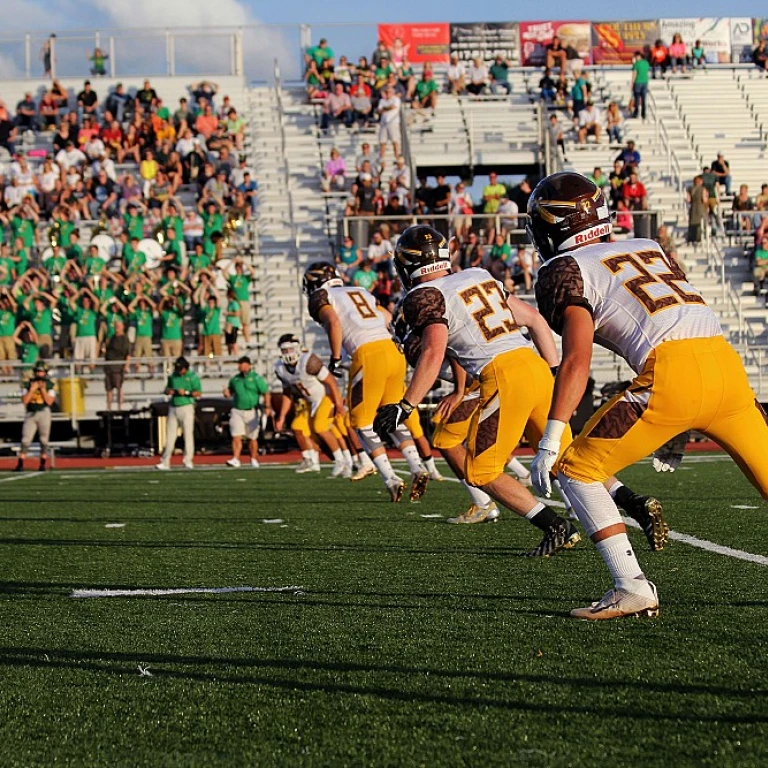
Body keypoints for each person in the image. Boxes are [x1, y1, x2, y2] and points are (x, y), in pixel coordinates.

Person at [527, 171, 768, 619]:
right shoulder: (648, 246)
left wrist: (550, 436)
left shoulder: (565, 268)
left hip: (671, 375)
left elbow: (576, 358)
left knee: (576, 470)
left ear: (550, 224)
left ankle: (631, 587)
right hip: (726, 367)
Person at [375, 225, 579, 551]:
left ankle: (554, 525)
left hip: (502, 374)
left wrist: (407, 404)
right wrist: (555, 372)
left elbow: (434, 349)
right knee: (569, 460)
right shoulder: (478, 275)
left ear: (405, 265)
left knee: (480, 471)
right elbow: (535, 321)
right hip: (536, 365)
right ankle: (630, 503)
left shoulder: (421, 296)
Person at [304, 261, 429, 501]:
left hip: (368, 354)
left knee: (360, 422)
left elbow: (333, 321)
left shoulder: (321, 296)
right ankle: (417, 466)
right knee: (390, 414)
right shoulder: (360, 291)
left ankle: (390, 478)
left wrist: (336, 357)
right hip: (393, 351)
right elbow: (388, 318)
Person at [273, 335, 352, 477]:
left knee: (320, 427)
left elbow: (331, 382)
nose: (288, 353)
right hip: (309, 402)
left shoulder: (309, 361)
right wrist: (282, 417)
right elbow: (287, 394)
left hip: (325, 397)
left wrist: (338, 403)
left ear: (297, 348)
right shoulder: (280, 368)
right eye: (284, 350)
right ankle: (311, 461)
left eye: (290, 349)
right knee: (298, 427)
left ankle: (342, 460)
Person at [224, 356, 269, 469]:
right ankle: (236, 458)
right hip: (237, 410)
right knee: (236, 436)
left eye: (242, 364)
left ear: (248, 365)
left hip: (251, 410)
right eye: (239, 364)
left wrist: (268, 406)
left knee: (252, 437)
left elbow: (265, 392)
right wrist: (226, 393)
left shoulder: (256, 378)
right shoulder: (235, 379)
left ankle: (253, 458)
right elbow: (230, 392)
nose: (240, 366)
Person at [157, 356, 201, 470]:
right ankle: (165, 461)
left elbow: (198, 392)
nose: (179, 371)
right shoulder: (173, 376)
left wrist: (186, 392)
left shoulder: (193, 377)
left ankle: (188, 460)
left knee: (188, 435)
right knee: (170, 436)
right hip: (173, 406)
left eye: (180, 369)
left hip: (187, 406)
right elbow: (166, 389)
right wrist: (170, 391)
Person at [15, 361, 56, 472]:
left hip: (44, 412)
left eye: (41, 371)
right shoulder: (28, 384)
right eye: (38, 371)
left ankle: (42, 464)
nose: (39, 373)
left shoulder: (49, 385)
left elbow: (49, 402)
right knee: (26, 439)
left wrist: (42, 390)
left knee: (44, 440)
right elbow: (25, 401)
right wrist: (32, 390)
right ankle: (20, 463)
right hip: (31, 413)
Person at [104, 318, 130, 411]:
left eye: (118, 326)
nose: (117, 328)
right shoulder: (112, 338)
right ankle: (109, 408)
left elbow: (128, 354)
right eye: (115, 326)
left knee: (119, 388)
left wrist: (126, 366)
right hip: (109, 367)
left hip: (118, 368)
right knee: (109, 389)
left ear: (122, 327)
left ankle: (120, 407)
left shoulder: (125, 339)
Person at [377, 86, 401, 160]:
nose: (388, 93)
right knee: (382, 141)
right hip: (384, 122)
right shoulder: (382, 100)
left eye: (389, 92)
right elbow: (379, 111)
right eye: (387, 92)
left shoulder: (396, 99)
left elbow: (393, 107)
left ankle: (397, 157)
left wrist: (385, 108)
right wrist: (386, 108)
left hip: (393, 122)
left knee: (395, 140)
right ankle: (382, 158)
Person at [631, 51, 650, 120]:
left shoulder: (636, 64)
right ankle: (643, 113)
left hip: (638, 82)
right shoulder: (646, 63)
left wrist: (632, 83)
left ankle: (636, 113)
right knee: (643, 99)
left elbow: (634, 74)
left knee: (637, 98)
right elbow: (647, 72)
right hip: (645, 82)